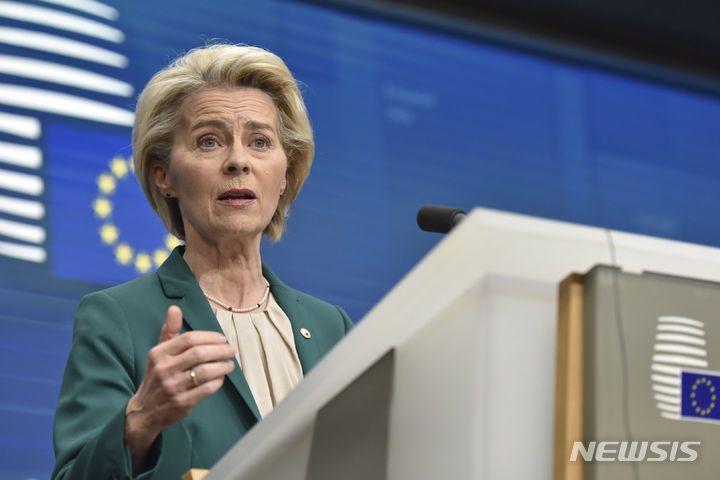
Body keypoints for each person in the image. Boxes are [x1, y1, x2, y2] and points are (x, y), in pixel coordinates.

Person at [52, 44, 353, 480]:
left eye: (260, 142)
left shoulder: (330, 328)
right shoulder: (118, 318)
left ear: (285, 174)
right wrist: (140, 420)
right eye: (208, 141)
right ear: (164, 176)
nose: (238, 162)